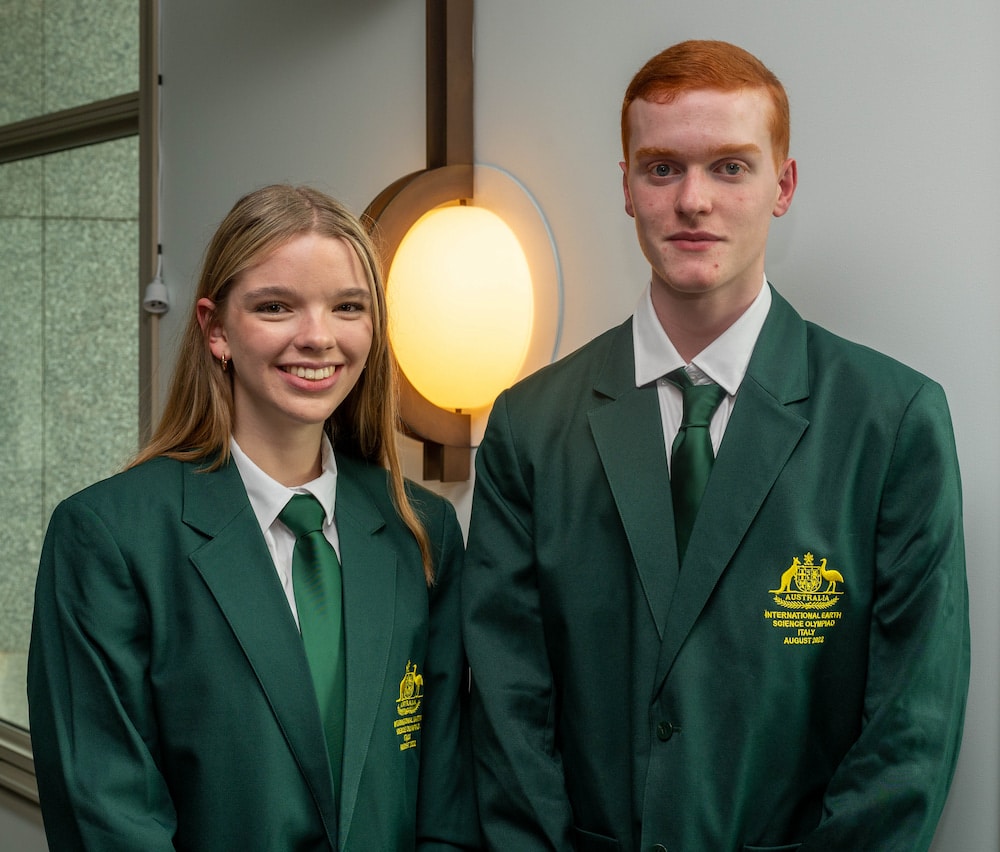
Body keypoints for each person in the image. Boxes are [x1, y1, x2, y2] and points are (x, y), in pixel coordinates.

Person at [462, 40, 969, 851]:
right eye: (662, 168)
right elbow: (506, 711)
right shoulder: (530, 428)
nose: (693, 200)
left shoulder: (892, 421)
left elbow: (912, 732)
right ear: (625, 186)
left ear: (783, 186)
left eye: (730, 167)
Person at [28, 184, 479, 851]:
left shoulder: (424, 531)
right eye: (276, 306)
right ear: (216, 329)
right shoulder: (109, 538)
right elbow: (110, 818)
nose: (318, 336)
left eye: (347, 307)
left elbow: (448, 805)